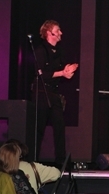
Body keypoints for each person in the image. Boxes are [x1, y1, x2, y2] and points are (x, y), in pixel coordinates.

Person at [33, 20, 78, 164]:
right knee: (39, 128)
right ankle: (33, 160)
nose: (61, 33)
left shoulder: (59, 52)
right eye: (57, 30)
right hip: (41, 92)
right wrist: (62, 73)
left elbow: (62, 71)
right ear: (49, 33)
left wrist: (69, 70)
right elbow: (42, 74)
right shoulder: (40, 51)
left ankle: (61, 162)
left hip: (54, 93)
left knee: (59, 127)